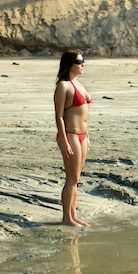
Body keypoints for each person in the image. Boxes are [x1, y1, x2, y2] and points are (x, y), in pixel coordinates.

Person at [54, 49, 93, 227]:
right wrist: (63, 139)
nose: (83, 64)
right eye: (79, 62)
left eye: (83, 61)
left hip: (83, 136)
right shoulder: (63, 86)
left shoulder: (79, 84)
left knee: (76, 178)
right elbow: (59, 116)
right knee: (71, 179)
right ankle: (66, 218)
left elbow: (83, 113)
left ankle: (73, 214)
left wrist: (88, 135)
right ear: (70, 64)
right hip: (71, 135)